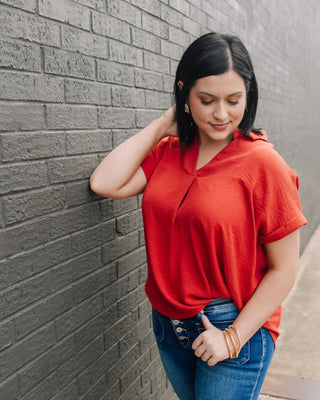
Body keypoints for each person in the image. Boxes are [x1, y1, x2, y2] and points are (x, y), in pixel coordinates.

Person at [90, 32, 307, 400]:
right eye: (206, 100)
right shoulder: (168, 152)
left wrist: (233, 338)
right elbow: (104, 182)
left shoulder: (262, 164)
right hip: (168, 324)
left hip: (230, 326)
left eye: (234, 100)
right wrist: (162, 125)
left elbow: (284, 269)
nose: (221, 114)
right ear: (184, 94)